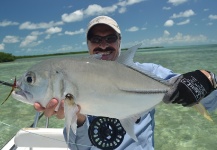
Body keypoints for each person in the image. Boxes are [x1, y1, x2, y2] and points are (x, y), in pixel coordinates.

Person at [34, 16, 217, 150]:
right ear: (88, 44)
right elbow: (79, 148)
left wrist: (208, 80)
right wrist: (77, 119)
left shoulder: (149, 72)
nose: (103, 45)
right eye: (96, 39)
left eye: (110, 38)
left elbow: (210, 101)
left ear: (120, 41)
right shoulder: (74, 78)